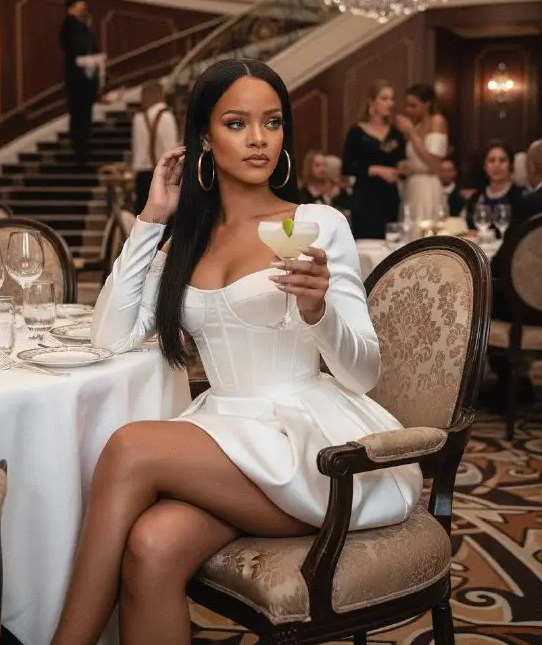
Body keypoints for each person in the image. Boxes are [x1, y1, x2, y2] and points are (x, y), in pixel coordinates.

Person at [50, 59, 422, 644]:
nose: (258, 139)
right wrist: (151, 218)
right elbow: (110, 336)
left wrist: (318, 312)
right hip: (223, 436)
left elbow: (364, 372)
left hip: (308, 449)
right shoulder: (184, 243)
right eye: (236, 122)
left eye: (271, 123)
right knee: (150, 549)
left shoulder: (316, 224)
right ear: (204, 136)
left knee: (128, 447)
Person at [485, 139, 542, 411]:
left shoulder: (529, 204)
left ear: (531, 167)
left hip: (525, 307)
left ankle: (508, 380)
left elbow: (503, 264)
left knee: (474, 292)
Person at [342, 80, 406, 239]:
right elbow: (347, 166)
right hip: (365, 197)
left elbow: (400, 162)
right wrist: (377, 170)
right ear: (372, 101)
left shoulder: (396, 133)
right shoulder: (357, 131)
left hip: (389, 197)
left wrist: (402, 168)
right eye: (384, 98)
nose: (389, 103)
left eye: (391, 99)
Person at [395, 84, 448, 223]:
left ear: (427, 104)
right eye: (407, 105)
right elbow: (417, 158)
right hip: (413, 184)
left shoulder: (437, 121)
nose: (409, 110)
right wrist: (407, 166)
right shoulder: (417, 125)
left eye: (414, 105)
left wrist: (411, 133)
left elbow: (433, 163)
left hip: (428, 185)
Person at [59, 0, 99, 164]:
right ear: (72, 7)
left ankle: (82, 147)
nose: (84, 10)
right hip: (78, 80)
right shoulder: (70, 26)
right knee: (80, 115)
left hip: (84, 80)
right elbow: (77, 49)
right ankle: (80, 151)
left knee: (83, 115)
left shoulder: (80, 26)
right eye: (81, 7)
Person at [132, 80, 179, 214]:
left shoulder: (138, 119)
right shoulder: (167, 117)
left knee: (143, 223)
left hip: (142, 177)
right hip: (163, 176)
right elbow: (172, 152)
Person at [465, 141, 523, 230]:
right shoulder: (476, 198)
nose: (497, 165)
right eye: (492, 160)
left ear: (510, 165)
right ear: (485, 166)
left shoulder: (521, 197)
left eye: (502, 160)